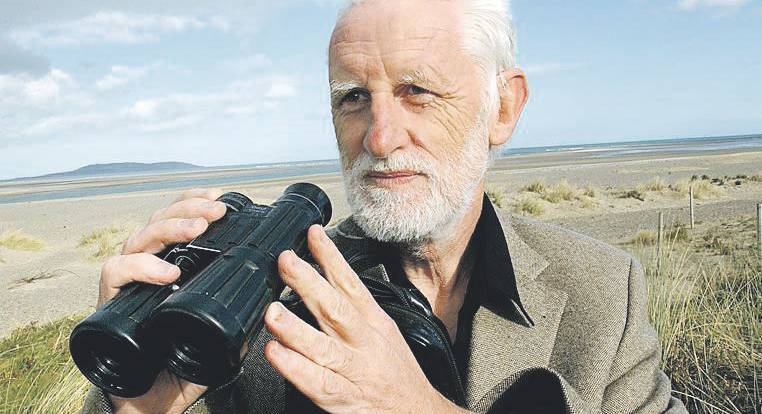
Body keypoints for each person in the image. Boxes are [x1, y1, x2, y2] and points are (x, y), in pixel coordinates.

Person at [81, 0, 687, 412]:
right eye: (353, 97)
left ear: (502, 108)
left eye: (416, 91)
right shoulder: (258, 304)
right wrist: (133, 403)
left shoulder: (603, 292)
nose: (379, 137)